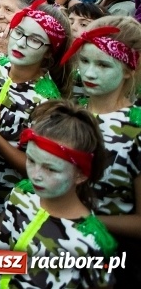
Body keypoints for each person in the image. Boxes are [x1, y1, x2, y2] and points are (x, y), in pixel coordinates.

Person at [0, 101, 114, 289]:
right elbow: (0, 261)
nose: (35, 175)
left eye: (51, 169)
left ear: (81, 174)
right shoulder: (21, 194)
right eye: (31, 160)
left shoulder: (91, 243)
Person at [60, 16, 141, 283]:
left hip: (109, 259)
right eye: (84, 61)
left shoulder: (136, 131)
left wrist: (84, 219)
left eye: (104, 64)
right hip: (55, 245)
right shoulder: (70, 113)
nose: (90, 73)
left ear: (130, 69)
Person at [0, 1, 70, 229]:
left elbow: (35, 169)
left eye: (35, 40)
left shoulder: (48, 102)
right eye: (19, 32)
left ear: (50, 51)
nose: (21, 42)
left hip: (9, 204)